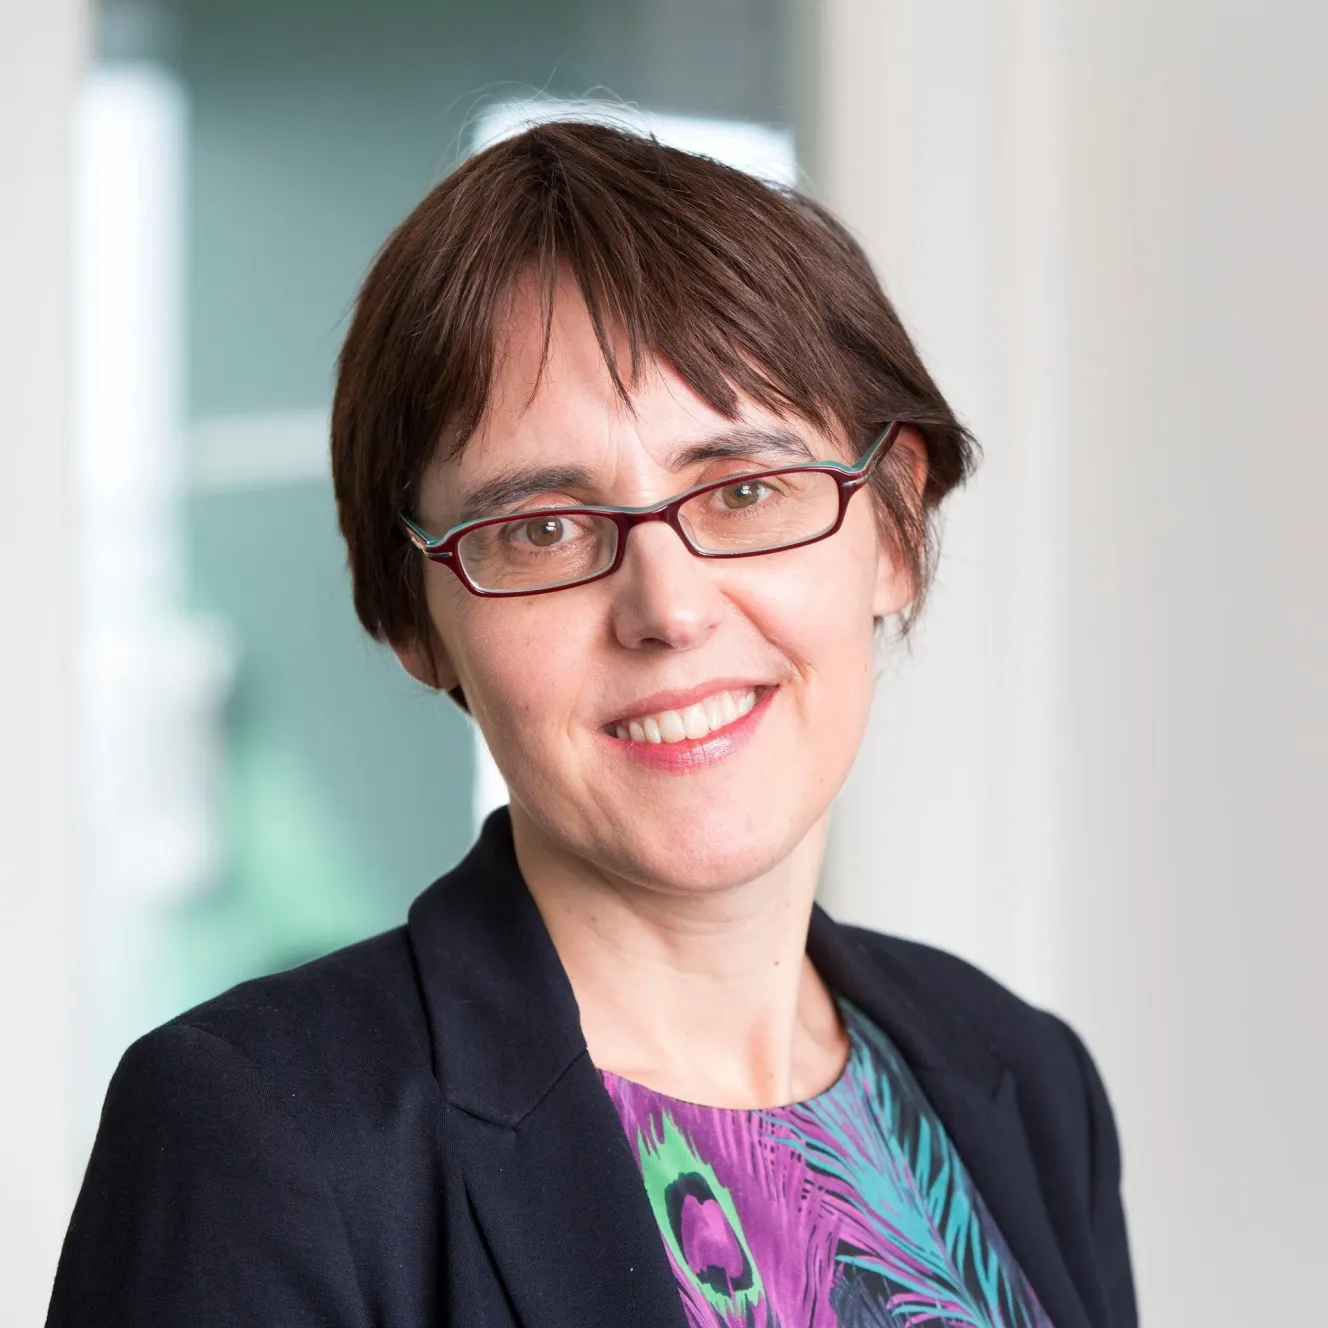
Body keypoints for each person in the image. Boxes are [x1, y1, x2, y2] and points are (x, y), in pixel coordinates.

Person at [47, 120, 1136, 1328]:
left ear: (891, 521)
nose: (666, 607)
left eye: (743, 489)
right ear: (413, 619)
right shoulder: (263, 1139)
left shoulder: (1025, 1081)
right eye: (542, 528)